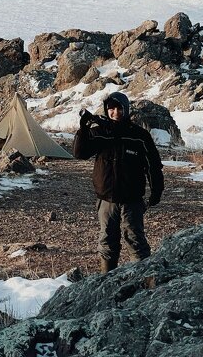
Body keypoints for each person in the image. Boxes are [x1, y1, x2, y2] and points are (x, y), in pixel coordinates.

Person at [73, 90, 164, 273]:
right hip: (106, 199)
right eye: (111, 108)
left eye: (119, 108)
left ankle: (141, 282)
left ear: (126, 109)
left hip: (132, 200)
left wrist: (156, 191)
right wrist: (83, 129)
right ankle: (107, 281)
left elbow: (153, 166)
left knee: (135, 241)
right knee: (107, 242)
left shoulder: (139, 136)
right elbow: (79, 153)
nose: (115, 112)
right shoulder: (99, 132)